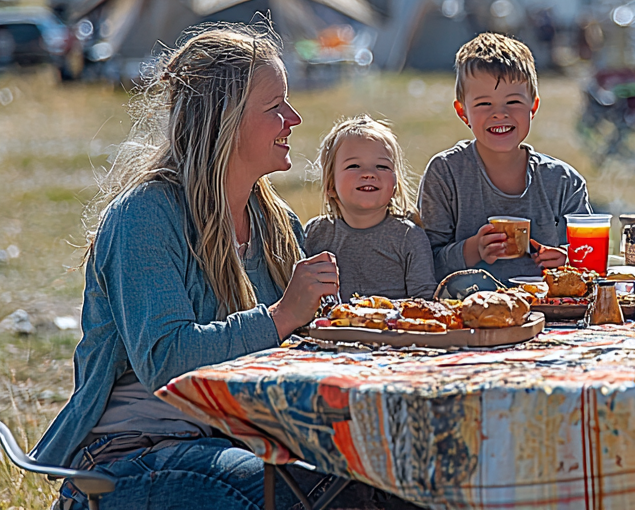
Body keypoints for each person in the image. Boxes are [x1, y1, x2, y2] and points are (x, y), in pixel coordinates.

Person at [32, 25, 405, 510]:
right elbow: (167, 359)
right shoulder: (146, 216)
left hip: (236, 441)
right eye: (275, 107)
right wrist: (281, 317)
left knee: (389, 484)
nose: (293, 118)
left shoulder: (275, 223)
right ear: (224, 120)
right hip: (133, 456)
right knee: (311, 498)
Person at [419, 33, 589, 281]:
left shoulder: (563, 182)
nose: (500, 114)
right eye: (484, 104)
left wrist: (566, 259)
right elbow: (423, 264)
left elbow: (588, 260)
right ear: (462, 112)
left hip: (550, 313)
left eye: (513, 102)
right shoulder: (446, 173)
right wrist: (473, 249)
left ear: (533, 107)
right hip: (465, 311)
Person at [304, 116, 438, 302]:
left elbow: (425, 302)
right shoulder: (315, 234)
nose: (368, 173)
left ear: (395, 183)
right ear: (330, 184)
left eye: (382, 166)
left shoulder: (408, 237)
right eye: (354, 166)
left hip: (393, 330)